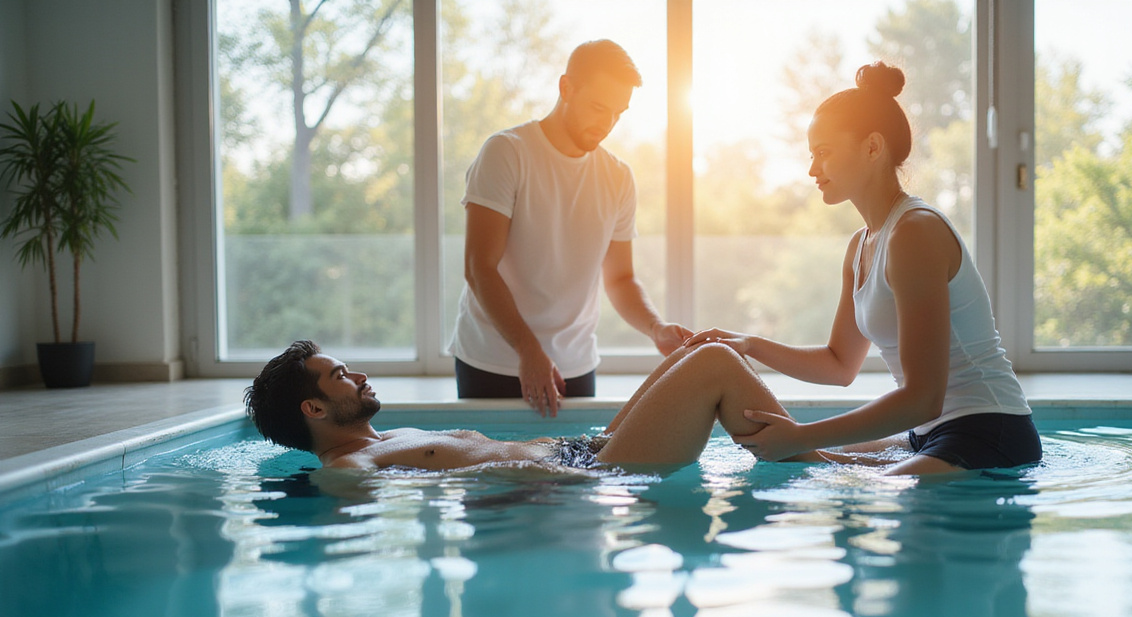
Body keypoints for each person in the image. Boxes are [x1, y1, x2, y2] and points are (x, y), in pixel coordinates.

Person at [685, 62, 1042, 476]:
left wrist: (803, 435)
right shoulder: (861, 244)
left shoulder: (915, 233)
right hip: (927, 432)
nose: (812, 170)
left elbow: (923, 398)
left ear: (873, 147)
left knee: (849, 485)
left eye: (823, 153)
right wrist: (750, 345)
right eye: (810, 155)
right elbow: (840, 364)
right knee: (814, 466)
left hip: (990, 429)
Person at [451, 39, 691, 417]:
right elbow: (479, 266)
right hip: (494, 361)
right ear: (566, 88)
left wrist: (656, 328)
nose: (607, 124)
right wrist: (529, 351)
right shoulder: (506, 152)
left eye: (618, 113)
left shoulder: (618, 177)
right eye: (598, 107)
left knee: (575, 475)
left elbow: (621, 279)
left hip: (574, 367)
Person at [244, 340, 832, 473]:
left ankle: (836, 454)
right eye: (339, 377)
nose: (359, 376)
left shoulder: (391, 439)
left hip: (582, 452)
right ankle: (830, 467)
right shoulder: (349, 469)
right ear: (314, 411)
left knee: (698, 352)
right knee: (718, 365)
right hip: (591, 476)